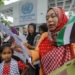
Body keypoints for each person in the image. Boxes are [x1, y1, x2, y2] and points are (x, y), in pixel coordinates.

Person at [30, 7, 75, 75]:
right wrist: (25, 51)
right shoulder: (45, 37)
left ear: (61, 17)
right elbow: (37, 53)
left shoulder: (71, 35)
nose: (49, 20)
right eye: (47, 18)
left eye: (53, 16)